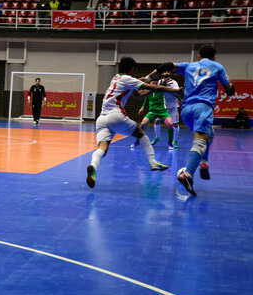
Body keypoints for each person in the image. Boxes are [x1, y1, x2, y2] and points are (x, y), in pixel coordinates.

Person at [144, 45, 235, 196]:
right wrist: (231, 85)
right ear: (213, 58)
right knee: (200, 140)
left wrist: (147, 78)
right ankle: (188, 174)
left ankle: (204, 163)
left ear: (199, 56)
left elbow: (165, 66)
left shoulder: (188, 65)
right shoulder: (218, 67)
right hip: (202, 108)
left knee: (209, 134)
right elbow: (230, 91)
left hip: (186, 110)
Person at [86, 57, 182, 188]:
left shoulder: (116, 78)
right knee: (141, 133)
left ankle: (93, 166)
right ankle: (153, 162)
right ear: (132, 69)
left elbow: (139, 95)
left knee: (102, 147)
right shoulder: (128, 79)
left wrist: (149, 87)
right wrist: (175, 90)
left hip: (101, 118)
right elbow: (149, 87)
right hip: (115, 115)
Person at [130, 74, 180, 150]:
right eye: (153, 83)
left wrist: (180, 99)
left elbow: (172, 93)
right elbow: (145, 97)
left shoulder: (160, 89)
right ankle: (137, 141)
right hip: (152, 112)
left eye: (156, 83)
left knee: (170, 124)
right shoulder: (147, 91)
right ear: (150, 84)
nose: (155, 85)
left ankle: (170, 143)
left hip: (163, 111)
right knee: (142, 125)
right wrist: (143, 107)